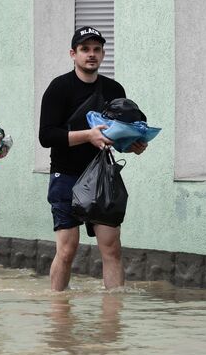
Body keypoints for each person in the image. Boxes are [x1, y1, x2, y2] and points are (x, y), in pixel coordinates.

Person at [39, 26, 147, 290]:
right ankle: (58, 313)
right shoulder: (59, 88)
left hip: (103, 176)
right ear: (73, 54)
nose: (91, 55)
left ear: (103, 54)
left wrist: (131, 144)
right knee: (67, 249)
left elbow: (118, 132)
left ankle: (112, 322)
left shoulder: (113, 89)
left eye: (96, 49)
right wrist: (87, 136)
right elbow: (46, 136)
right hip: (65, 175)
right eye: (85, 49)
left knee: (112, 248)